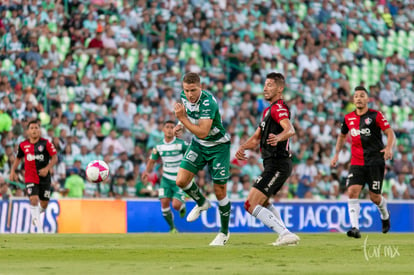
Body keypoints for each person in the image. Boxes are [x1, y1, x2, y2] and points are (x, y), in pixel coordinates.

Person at [235, 72, 300, 246]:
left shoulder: (278, 108)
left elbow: (290, 129)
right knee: (263, 202)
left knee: (250, 205)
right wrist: (243, 147)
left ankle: (285, 233)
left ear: (280, 89)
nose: (265, 88)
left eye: (270, 85)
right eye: (264, 85)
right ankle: (287, 236)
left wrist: (279, 137)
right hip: (273, 164)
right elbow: (256, 138)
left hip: (278, 163)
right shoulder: (267, 111)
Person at [174, 72, 231, 246]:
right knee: (181, 181)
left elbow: (203, 132)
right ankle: (201, 202)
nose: (190, 94)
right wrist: (180, 125)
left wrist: (182, 119)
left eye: (193, 90)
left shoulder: (208, 102)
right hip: (198, 145)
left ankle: (223, 233)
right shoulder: (184, 97)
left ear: (201, 87)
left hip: (218, 147)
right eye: (186, 90)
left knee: (220, 190)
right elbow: (190, 121)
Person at [331, 86, 395, 238]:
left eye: (362, 96)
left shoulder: (376, 115)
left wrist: (388, 148)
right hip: (357, 162)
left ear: (367, 99)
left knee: (375, 197)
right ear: (353, 100)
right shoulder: (348, 118)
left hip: (375, 161)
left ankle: (385, 215)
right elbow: (341, 136)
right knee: (352, 191)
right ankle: (355, 228)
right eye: (356, 96)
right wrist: (336, 154)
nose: (359, 98)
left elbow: (389, 132)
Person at [9, 119, 58, 233]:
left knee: (44, 203)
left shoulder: (46, 143)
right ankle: (39, 229)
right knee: (33, 199)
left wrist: (47, 169)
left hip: (44, 177)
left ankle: (35, 215)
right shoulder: (23, 145)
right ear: (28, 131)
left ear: (40, 130)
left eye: (36, 128)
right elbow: (18, 159)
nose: (34, 130)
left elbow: (55, 158)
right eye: (32, 128)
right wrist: (12, 171)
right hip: (30, 176)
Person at [142, 120, 188, 233]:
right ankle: (172, 228)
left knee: (176, 205)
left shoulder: (181, 144)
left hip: (179, 179)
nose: (169, 129)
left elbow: (192, 156)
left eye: (172, 127)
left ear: (175, 129)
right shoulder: (159, 146)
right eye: (167, 127)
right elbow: (152, 161)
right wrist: (146, 173)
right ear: (163, 130)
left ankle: (181, 206)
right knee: (164, 203)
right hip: (166, 179)